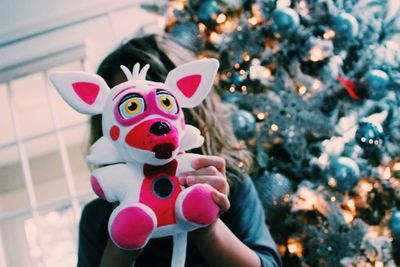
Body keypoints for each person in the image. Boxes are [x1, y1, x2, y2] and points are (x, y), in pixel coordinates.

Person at [77, 34, 282, 267]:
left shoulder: (227, 184)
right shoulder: (97, 218)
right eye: (129, 108)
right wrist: (124, 237)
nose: (147, 123)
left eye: (161, 103)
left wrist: (205, 222)